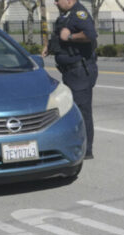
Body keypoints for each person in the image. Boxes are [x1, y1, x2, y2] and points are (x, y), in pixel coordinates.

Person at [45, 0, 97, 159]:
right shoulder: (66, 15)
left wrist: (71, 36)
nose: (55, 3)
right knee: (74, 109)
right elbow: (60, 35)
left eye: (57, 0)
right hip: (70, 72)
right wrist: (49, 46)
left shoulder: (79, 13)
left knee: (82, 110)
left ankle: (86, 149)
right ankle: (78, 144)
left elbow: (90, 34)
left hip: (80, 71)